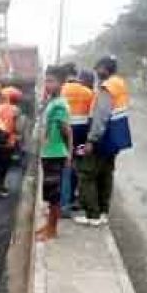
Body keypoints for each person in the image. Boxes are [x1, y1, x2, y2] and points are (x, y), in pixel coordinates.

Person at [76, 56, 132, 226]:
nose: (97, 72)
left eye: (98, 69)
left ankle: (92, 215)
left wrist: (91, 140)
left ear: (105, 69)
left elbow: (101, 115)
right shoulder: (120, 84)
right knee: (105, 175)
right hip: (115, 138)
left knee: (87, 174)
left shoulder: (107, 87)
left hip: (103, 137)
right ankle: (102, 213)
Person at [36, 66, 73, 241]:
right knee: (50, 195)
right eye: (46, 81)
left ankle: (53, 230)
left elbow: (67, 131)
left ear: (61, 83)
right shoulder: (52, 101)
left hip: (55, 153)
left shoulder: (59, 104)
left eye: (51, 81)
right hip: (48, 153)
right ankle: (48, 226)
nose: (47, 84)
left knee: (54, 196)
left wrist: (69, 154)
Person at [60, 69, 95, 217]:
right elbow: (92, 117)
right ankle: (74, 197)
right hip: (81, 136)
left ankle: (63, 200)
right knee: (78, 163)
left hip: (64, 133)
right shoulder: (89, 93)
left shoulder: (62, 89)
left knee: (64, 164)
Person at [0, 87, 21, 197]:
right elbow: (17, 126)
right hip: (9, 141)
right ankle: (1, 187)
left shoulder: (0, 107)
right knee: (5, 165)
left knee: (0, 166)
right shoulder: (16, 110)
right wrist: (18, 135)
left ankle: (0, 186)